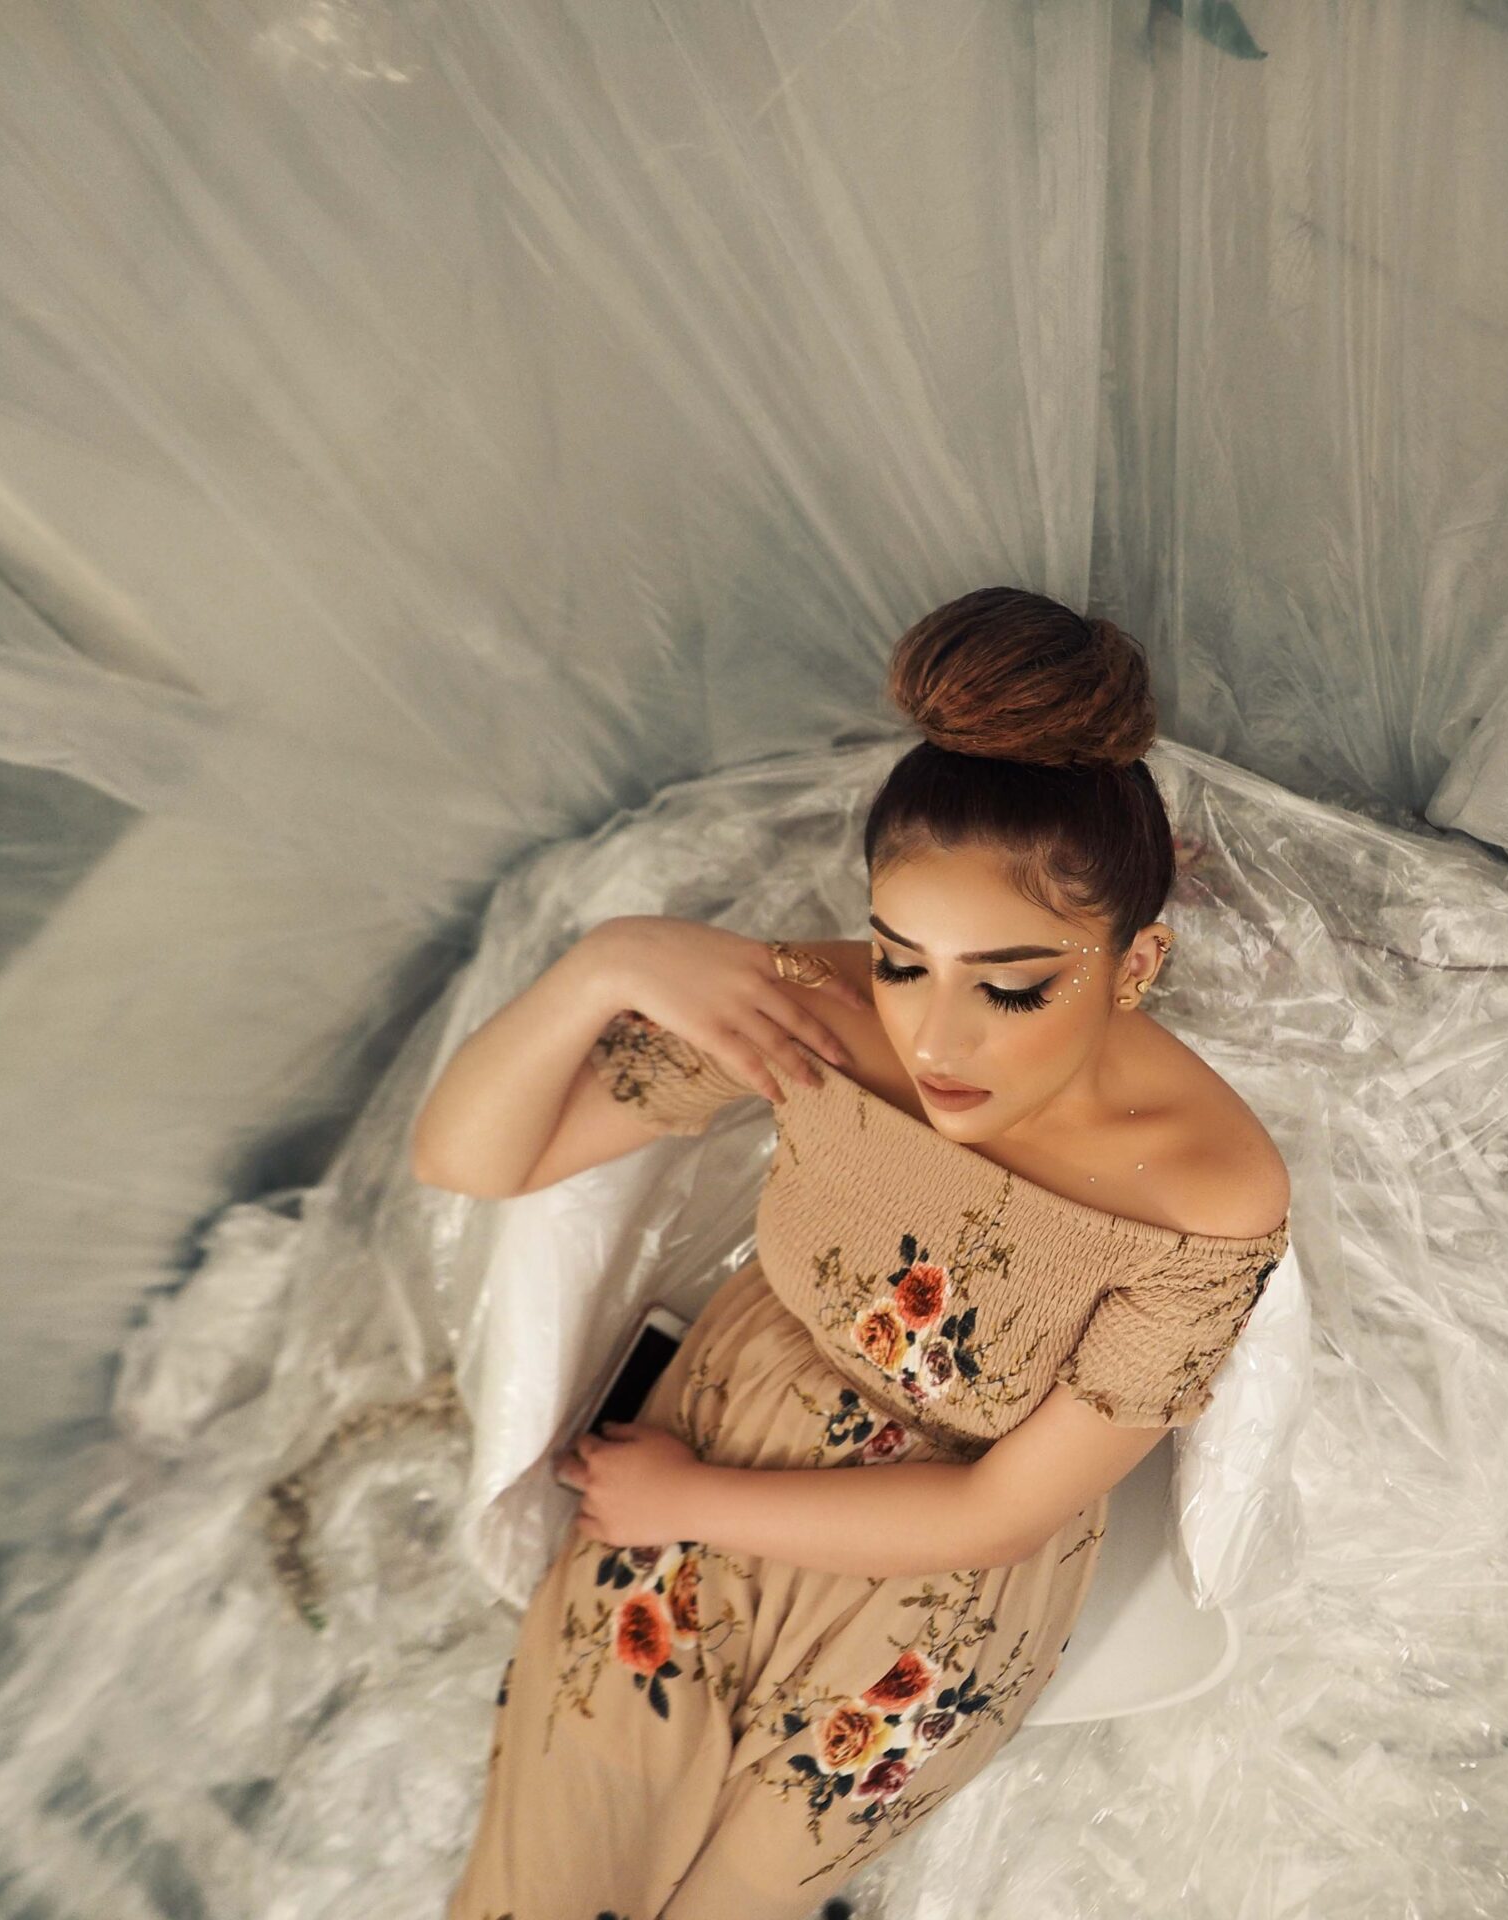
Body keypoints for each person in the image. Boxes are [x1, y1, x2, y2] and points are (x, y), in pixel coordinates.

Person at [414, 586, 1292, 1920]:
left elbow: (1001, 1513)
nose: (937, 1038)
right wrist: (611, 963)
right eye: (900, 961)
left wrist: (687, 1501)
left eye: (1010, 985)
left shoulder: (1207, 1189)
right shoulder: (818, 1014)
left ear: (1134, 964)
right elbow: (471, 1159)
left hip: (935, 1592)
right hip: (716, 1446)